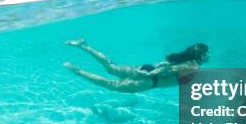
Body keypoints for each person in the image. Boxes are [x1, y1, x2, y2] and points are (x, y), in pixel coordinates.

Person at [63, 39, 209, 93]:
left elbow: (165, 66)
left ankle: (84, 46)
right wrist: (149, 75)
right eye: (207, 54)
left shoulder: (181, 58)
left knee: (111, 67)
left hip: (147, 68)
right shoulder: (193, 66)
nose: (209, 56)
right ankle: (77, 71)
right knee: (111, 85)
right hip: (149, 80)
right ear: (201, 57)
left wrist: (150, 70)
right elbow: (170, 69)